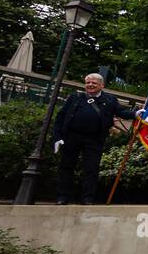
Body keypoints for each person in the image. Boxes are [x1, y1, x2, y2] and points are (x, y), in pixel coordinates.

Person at [52, 72, 136, 205]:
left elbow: (122, 112)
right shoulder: (75, 97)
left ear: (102, 85)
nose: (90, 85)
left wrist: (136, 114)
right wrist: (57, 137)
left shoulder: (110, 100)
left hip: (95, 139)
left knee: (91, 169)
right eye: (88, 83)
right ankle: (63, 197)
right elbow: (60, 117)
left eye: (94, 83)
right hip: (72, 137)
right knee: (66, 167)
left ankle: (87, 198)